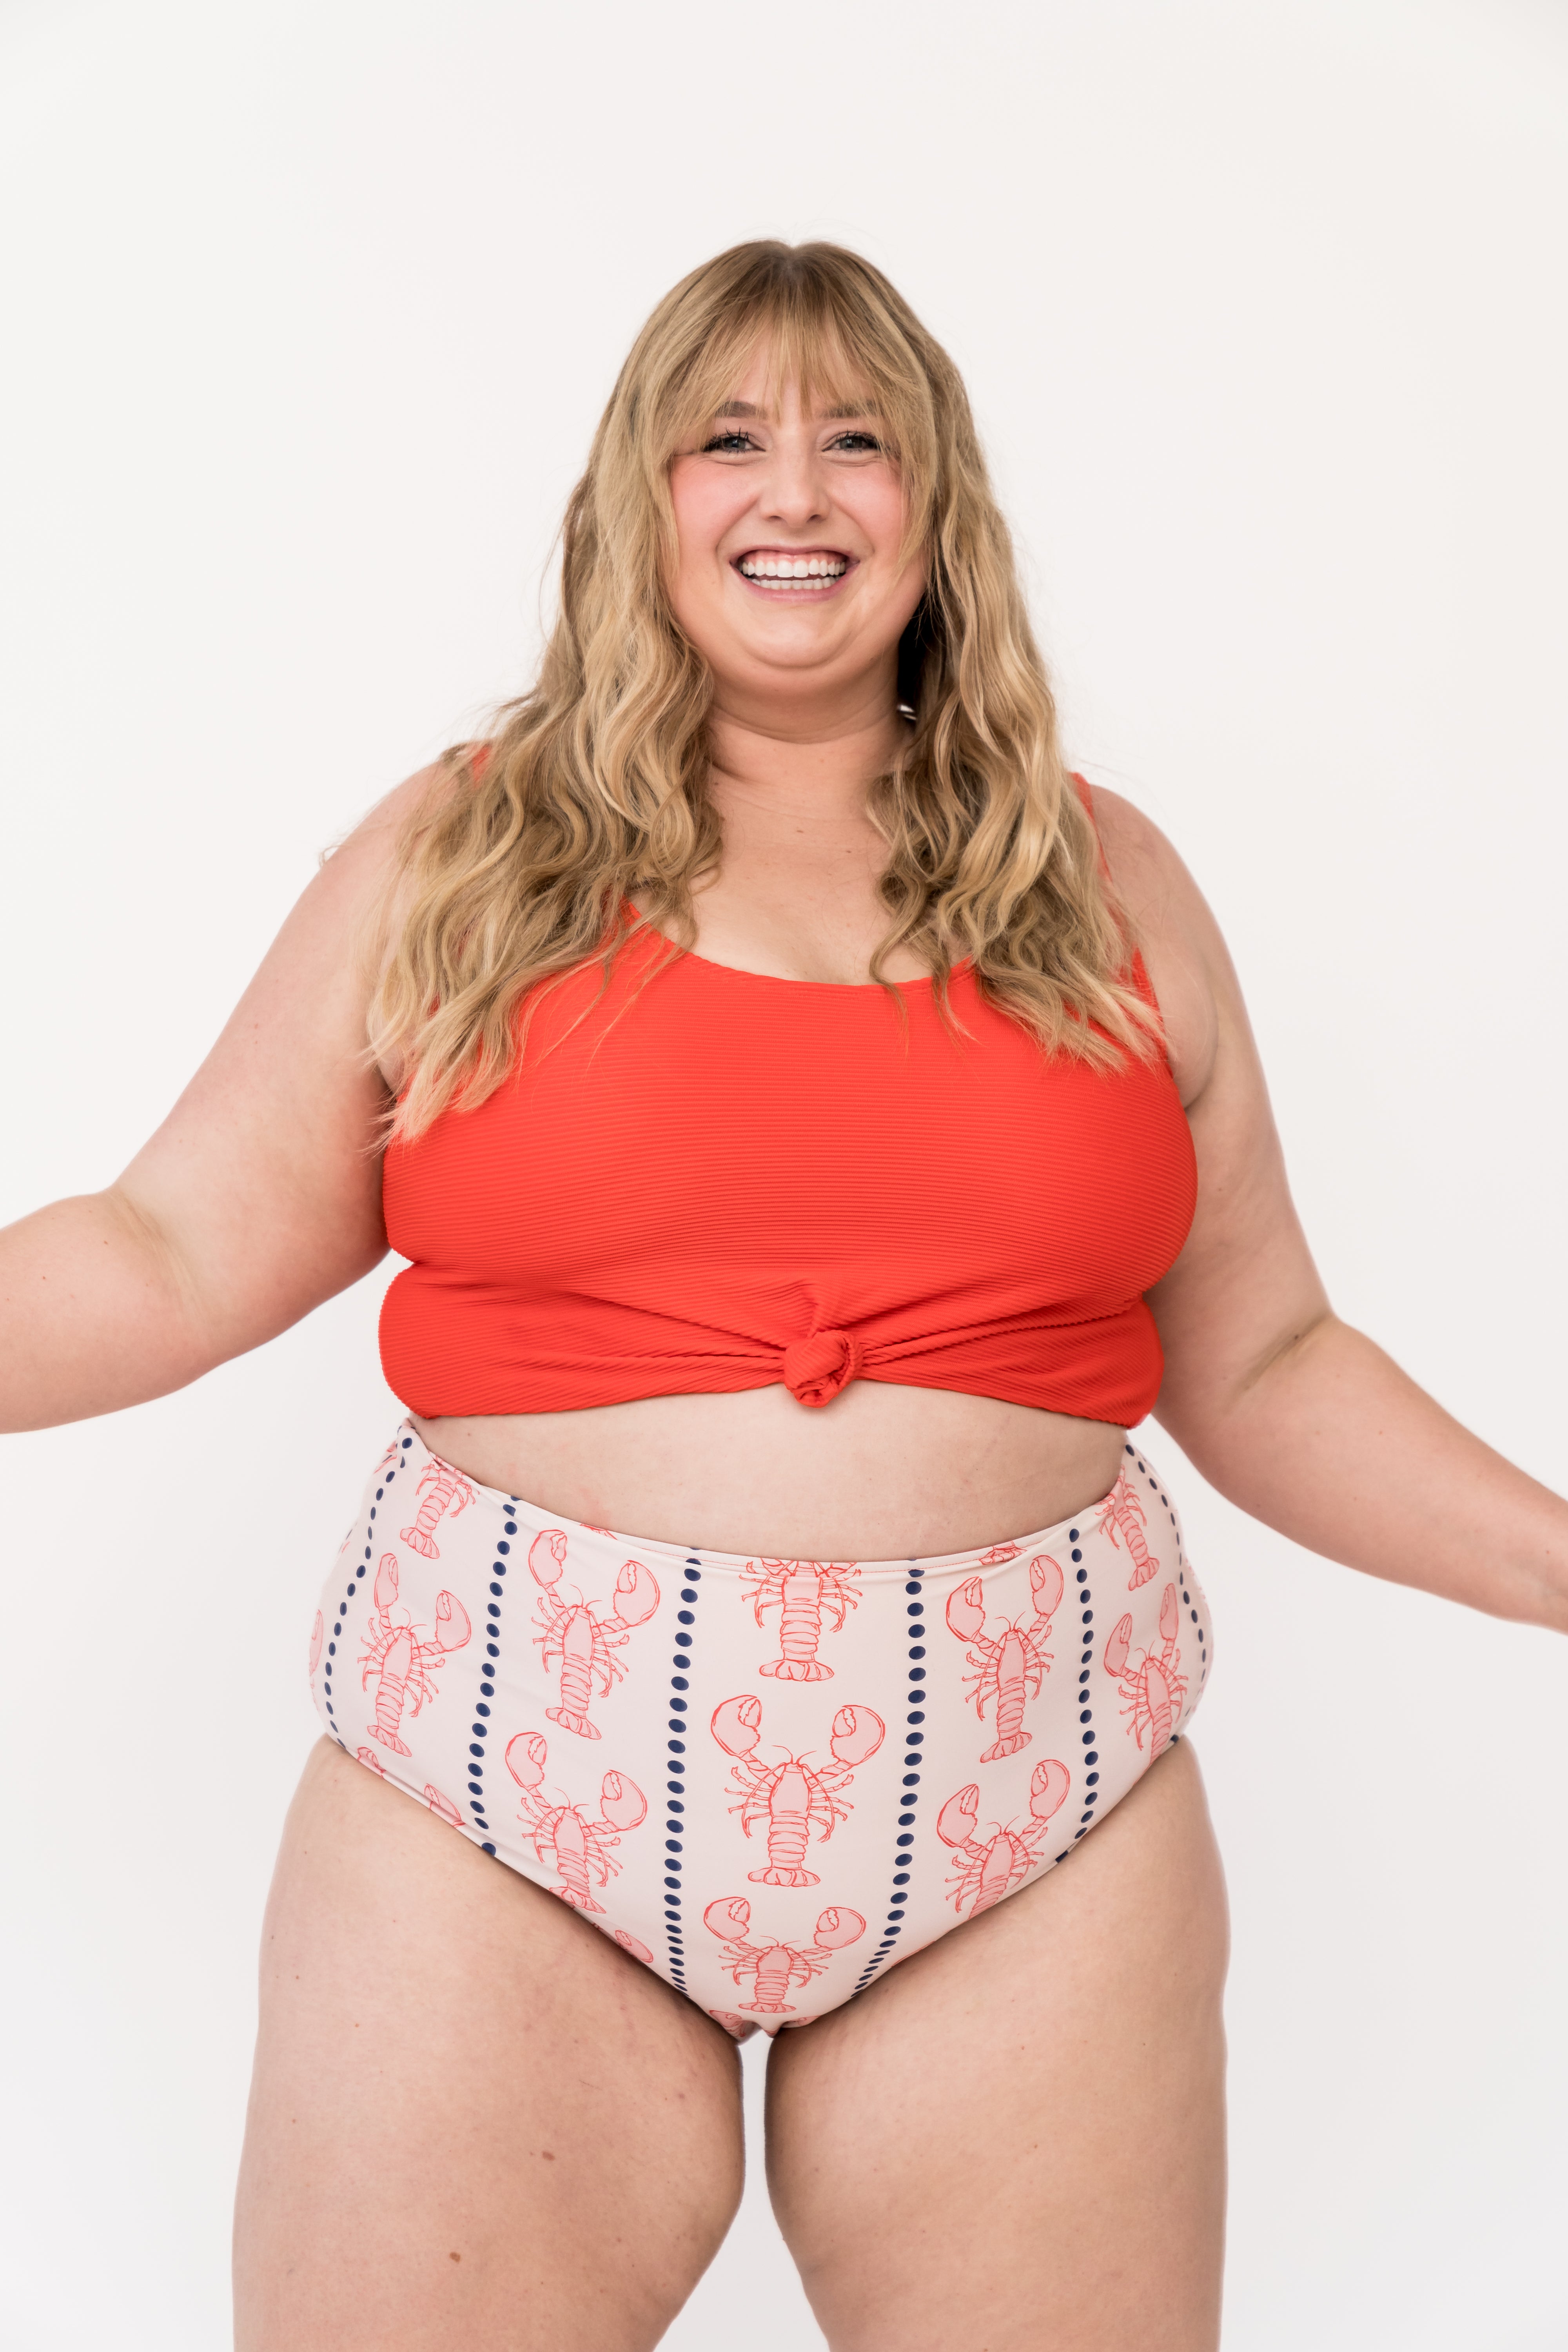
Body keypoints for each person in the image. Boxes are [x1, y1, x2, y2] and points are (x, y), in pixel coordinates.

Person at [5, 238, 1564, 2352]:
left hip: (1033, 1813)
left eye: (861, 440)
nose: (798, 490)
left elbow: (1271, 1358)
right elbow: (172, 1249)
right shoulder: (463, 859)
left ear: (940, 506)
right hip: (502, 1805)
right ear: (636, 501)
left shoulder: (1107, 884)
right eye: (727, 437)